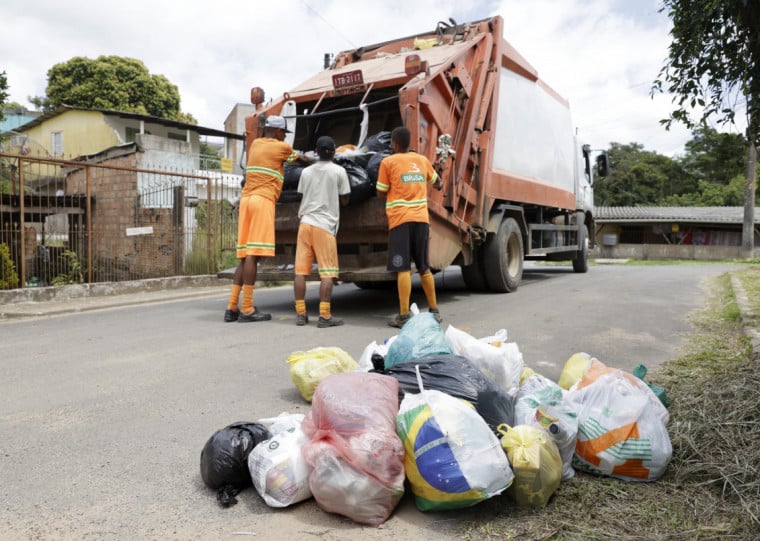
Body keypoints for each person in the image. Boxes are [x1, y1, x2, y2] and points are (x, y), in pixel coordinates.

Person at [224, 115, 312, 323]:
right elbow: (301, 161)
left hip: (246, 201)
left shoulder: (255, 144)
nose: (284, 138)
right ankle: (247, 308)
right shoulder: (280, 147)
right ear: (279, 132)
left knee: (245, 256)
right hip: (263, 200)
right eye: (284, 134)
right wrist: (322, 160)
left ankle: (232, 306)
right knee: (254, 255)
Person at [376, 126, 443, 328]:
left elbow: (381, 191)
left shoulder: (387, 162)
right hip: (421, 220)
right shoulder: (422, 160)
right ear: (409, 143)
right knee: (424, 267)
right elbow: (438, 183)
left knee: (402, 267)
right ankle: (434, 311)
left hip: (400, 221)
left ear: (394, 144)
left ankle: (404, 315)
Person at [293, 136, 351, 328]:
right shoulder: (339, 171)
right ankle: (324, 316)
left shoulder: (306, 172)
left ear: (316, 152)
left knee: (300, 272)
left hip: (305, 223)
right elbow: (345, 200)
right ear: (334, 151)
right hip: (324, 226)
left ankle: (301, 314)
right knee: (327, 273)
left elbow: (301, 195)